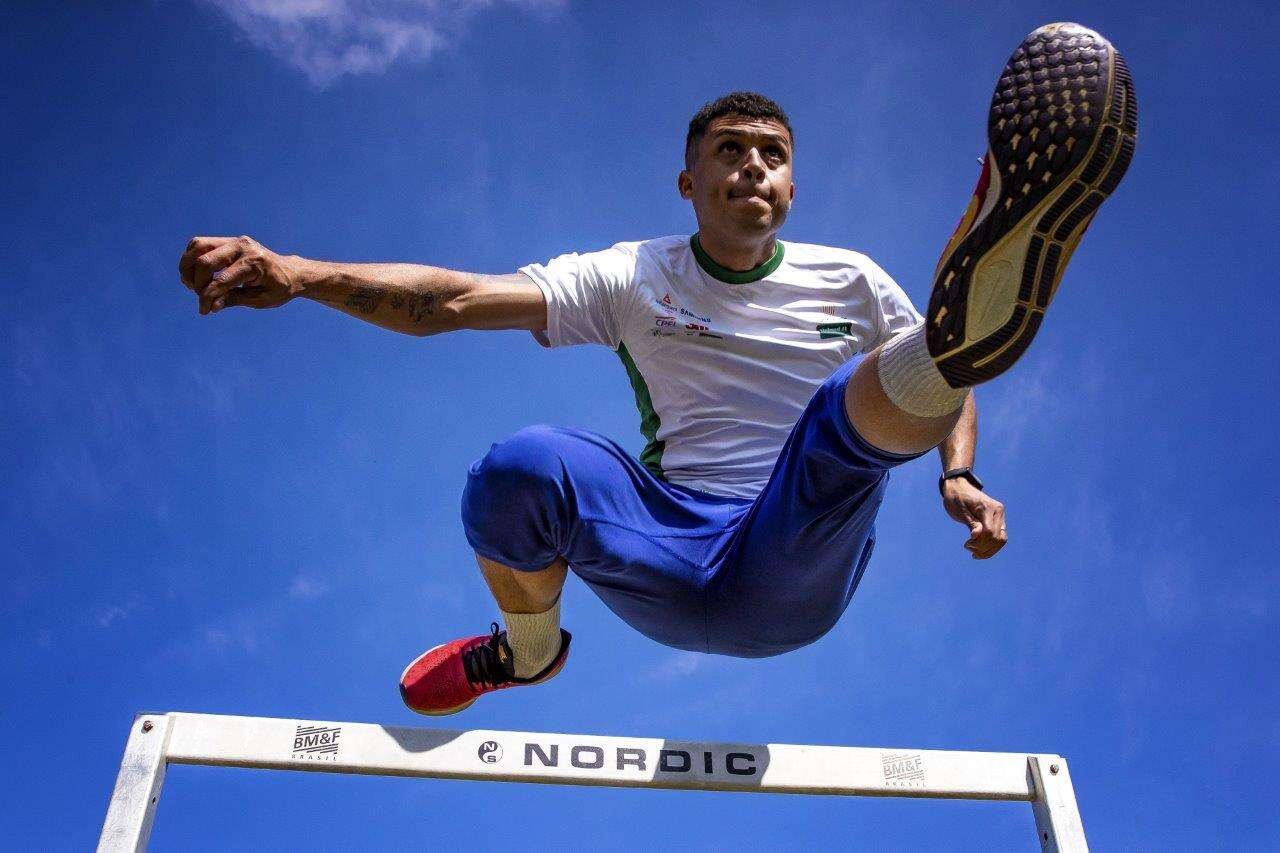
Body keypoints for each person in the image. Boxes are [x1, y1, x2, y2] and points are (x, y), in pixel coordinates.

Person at [178, 23, 1135, 716]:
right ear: (688, 182)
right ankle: (527, 652)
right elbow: (459, 299)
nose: (753, 166)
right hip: (668, 546)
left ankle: (994, 269)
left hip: (798, 550)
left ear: (793, 186)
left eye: (773, 155)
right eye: (730, 152)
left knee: (866, 403)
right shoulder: (635, 274)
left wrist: (959, 472)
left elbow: (948, 383)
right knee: (520, 468)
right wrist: (301, 274)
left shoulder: (852, 279)